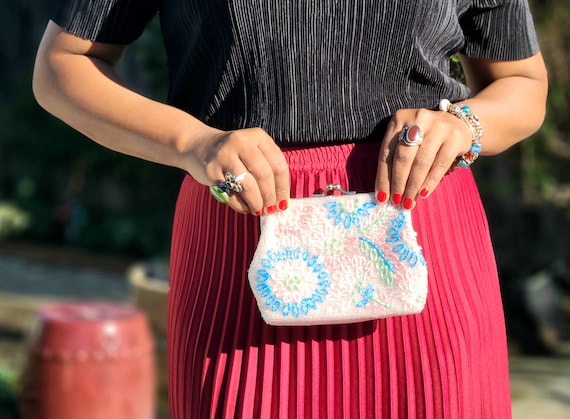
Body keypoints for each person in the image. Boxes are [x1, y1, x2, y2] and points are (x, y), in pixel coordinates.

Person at [33, 1, 548, 417]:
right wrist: (192, 142)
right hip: (240, 241)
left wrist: (464, 126)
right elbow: (63, 66)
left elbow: (522, 83)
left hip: (422, 250)